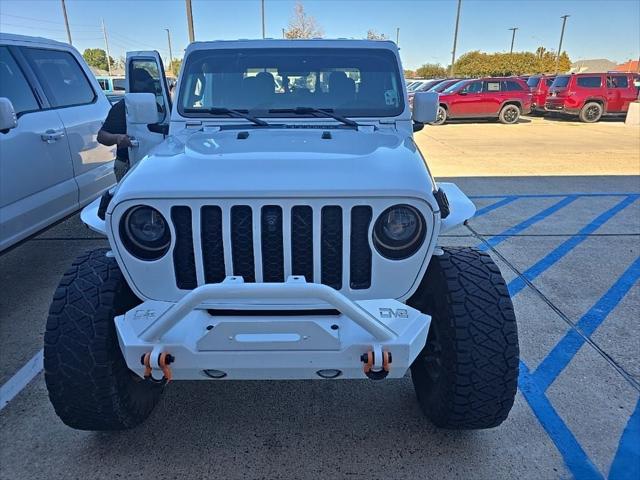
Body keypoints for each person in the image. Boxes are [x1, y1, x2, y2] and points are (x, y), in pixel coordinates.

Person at [97, 68, 158, 181]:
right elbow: (101, 136)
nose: (150, 88)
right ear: (134, 85)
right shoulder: (122, 108)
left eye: (150, 84)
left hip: (151, 162)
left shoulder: (156, 106)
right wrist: (117, 138)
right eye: (145, 84)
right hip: (128, 163)